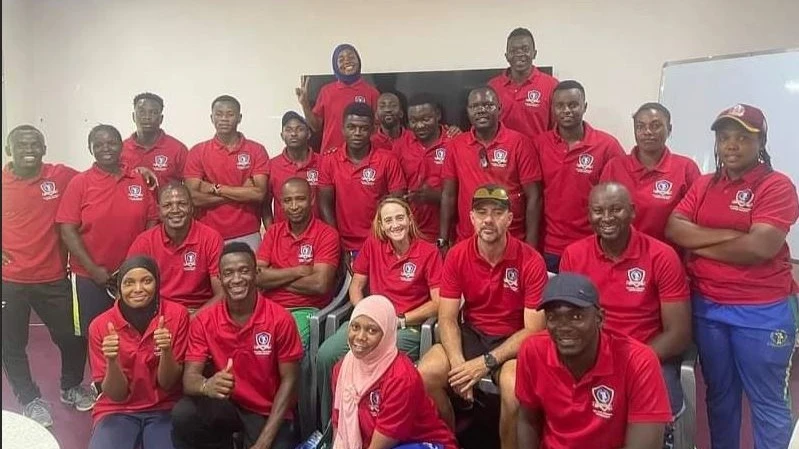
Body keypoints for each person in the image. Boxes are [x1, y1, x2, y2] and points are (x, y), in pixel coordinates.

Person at [665, 104, 799, 449]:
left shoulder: (777, 185)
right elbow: (675, 228)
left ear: (761, 142)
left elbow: (761, 247)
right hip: (708, 307)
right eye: (725, 138)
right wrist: (734, 235)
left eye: (742, 137)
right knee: (720, 396)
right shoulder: (706, 184)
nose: (732, 145)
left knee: (767, 401)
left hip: (762, 311)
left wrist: (703, 241)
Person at [418, 185, 548, 449]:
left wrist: (484, 363)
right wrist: (457, 365)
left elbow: (534, 329)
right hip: (473, 332)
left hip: (513, 340)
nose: (489, 219)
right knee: (425, 374)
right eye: (482, 212)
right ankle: (448, 442)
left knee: (514, 390)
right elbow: (447, 318)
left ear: (510, 219)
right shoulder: (457, 255)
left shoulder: (531, 260)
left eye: (498, 212)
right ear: (472, 218)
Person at [559, 182, 691, 442]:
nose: (606, 218)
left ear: (632, 212)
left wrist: (629, 364)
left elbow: (679, 334)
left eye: (616, 209)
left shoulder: (661, 256)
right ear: (589, 215)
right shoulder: (574, 255)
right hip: (590, 356)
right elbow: (569, 320)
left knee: (650, 423)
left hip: (648, 354)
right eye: (598, 210)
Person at [318, 197, 442, 425]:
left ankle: (371, 427)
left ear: (409, 219)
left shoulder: (428, 252)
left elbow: (438, 302)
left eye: (399, 218)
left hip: (406, 328)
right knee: (326, 355)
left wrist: (401, 320)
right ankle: (332, 426)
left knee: (360, 359)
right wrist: (365, 314)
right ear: (381, 225)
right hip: (371, 323)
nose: (395, 224)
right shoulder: (373, 245)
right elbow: (356, 287)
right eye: (388, 220)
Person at [2, 125, 94, 425]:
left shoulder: (60, 176)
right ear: (8, 150)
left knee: (72, 337)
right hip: (9, 281)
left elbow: (97, 176)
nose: (29, 149)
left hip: (53, 276)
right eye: (21, 144)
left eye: (35, 144)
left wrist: (142, 169)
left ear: (44, 148)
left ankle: (70, 387)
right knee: (12, 344)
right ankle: (30, 399)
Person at [516, 273, 672, 449]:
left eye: (577, 317)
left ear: (600, 318)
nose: (564, 327)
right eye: (553, 317)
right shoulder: (532, 351)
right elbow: (527, 420)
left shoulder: (639, 361)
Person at [171, 242, 303, 449]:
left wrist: (263, 443)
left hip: (267, 410)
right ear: (220, 278)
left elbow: (291, 381)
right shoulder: (204, 320)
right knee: (184, 414)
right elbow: (189, 380)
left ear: (256, 273)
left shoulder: (280, 318)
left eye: (244, 271)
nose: (237, 279)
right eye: (229, 273)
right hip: (228, 406)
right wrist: (207, 386)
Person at [56, 124, 158, 337]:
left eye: (111, 143)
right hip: (90, 277)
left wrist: (133, 265)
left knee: (135, 335)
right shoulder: (80, 183)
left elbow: (151, 222)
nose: (106, 148)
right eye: (99, 145)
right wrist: (93, 269)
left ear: (121, 146)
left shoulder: (138, 180)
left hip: (132, 276)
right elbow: (67, 230)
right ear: (90, 148)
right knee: (96, 337)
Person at [87, 256, 190, 449]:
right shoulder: (100, 326)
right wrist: (112, 361)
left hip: (164, 407)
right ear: (119, 289)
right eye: (129, 283)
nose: (138, 289)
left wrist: (166, 351)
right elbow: (116, 395)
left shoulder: (177, 315)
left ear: (157, 283)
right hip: (116, 410)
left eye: (147, 281)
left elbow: (168, 384)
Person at [331, 295, 458, 449]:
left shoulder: (401, 377)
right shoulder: (343, 368)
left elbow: (382, 443)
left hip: (416, 443)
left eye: (372, 330)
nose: (360, 337)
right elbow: (340, 426)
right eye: (355, 327)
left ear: (387, 333)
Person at [533, 80, 624, 272]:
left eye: (573, 105)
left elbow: (618, 201)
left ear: (585, 107)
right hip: (550, 247)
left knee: (589, 301)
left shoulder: (607, 146)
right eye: (560, 105)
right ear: (552, 109)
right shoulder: (538, 144)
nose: (566, 110)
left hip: (593, 245)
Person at [439, 86, 541, 252]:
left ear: (499, 108)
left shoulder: (520, 143)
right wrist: (442, 240)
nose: (481, 110)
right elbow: (448, 195)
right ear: (468, 111)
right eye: (475, 106)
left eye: (488, 105)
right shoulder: (455, 146)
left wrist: (531, 246)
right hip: (467, 241)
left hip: (511, 240)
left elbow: (534, 198)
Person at [318, 102, 406, 266]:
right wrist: (335, 243)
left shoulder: (388, 160)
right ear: (343, 129)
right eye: (351, 127)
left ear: (372, 130)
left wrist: (383, 238)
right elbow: (325, 204)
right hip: (344, 245)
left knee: (378, 292)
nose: (357, 133)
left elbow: (397, 203)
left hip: (381, 242)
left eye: (363, 128)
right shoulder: (329, 161)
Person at [256, 177, 340, 347]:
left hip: (305, 310)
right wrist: (297, 271)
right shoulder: (273, 232)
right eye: (287, 201)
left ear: (312, 200)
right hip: (267, 307)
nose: (294, 206)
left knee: (287, 347)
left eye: (300, 199)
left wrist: (273, 279)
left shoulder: (327, 234)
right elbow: (256, 277)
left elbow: (320, 284)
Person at [600, 102, 700, 243]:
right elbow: (602, 214)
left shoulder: (686, 168)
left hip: (667, 258)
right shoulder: (614, 166)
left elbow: (694, 223)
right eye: (640, 126)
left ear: (669, 129)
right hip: (620, 254)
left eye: (655, 126)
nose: (647, 131)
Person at [184, 95, 269, 250]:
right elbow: (193, 198)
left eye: (230, 114)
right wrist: (242, 193)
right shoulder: (197, 151)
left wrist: (215, 188)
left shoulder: (257, 150)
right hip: (207, 233)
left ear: (239, 118)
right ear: (211, 118)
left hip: (247, 233)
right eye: (219, 114)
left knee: (250, 275)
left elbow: (259, 194)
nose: (224, 119)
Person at [127, 182, 225, 313]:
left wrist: (191, 321)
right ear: (159, 210)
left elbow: (222, 294)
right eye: (167, 205)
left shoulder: (211, 238)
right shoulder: (144, 242)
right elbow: (129, 291)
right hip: (157, 313)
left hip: (198, 312)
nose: (175, 210)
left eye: (182, 204)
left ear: (191, 207)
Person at [296, 43, 380, 153]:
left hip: (362, 158)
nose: (347, 61)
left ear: (358, 61)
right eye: (341, 59)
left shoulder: (372, 92)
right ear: (335, 65)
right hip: (331, 156)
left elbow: (378, 129)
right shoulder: (326, 91)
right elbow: (315, 127)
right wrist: (305, 104)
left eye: (351, 57)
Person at [394, 93, 452, 240]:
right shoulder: (401, 145)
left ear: (437, 115)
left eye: (426, 119)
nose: (420, 125)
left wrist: (438, 196)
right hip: (411, 232)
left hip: (448, 232)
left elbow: (467, 190)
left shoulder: (454, 142)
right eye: (413, 121)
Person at [488, 27, 558, 140]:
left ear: (534, 53)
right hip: (502, 155)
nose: (519, 54)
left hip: (537, 154)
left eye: (525, 49)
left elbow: (558, 129)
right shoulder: (492, 87)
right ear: (506, 56)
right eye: (513, 50)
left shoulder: (552, 85)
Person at [263, 111, 323, 227]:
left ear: (309, 133)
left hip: (318, 236)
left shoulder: (323, 162)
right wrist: (271, 231)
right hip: (283, 236)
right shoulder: (272, 165)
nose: (293, 134)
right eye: (288, 130)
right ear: (282, 135)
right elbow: (265, 205)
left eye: (299, 129)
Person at [121, 92, 189, 187]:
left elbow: (190, 189)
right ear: (133, 117)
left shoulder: (178, 149)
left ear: (161, 119)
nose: (147, 117)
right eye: (141, 112)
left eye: (153, 112)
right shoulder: (121, 149)